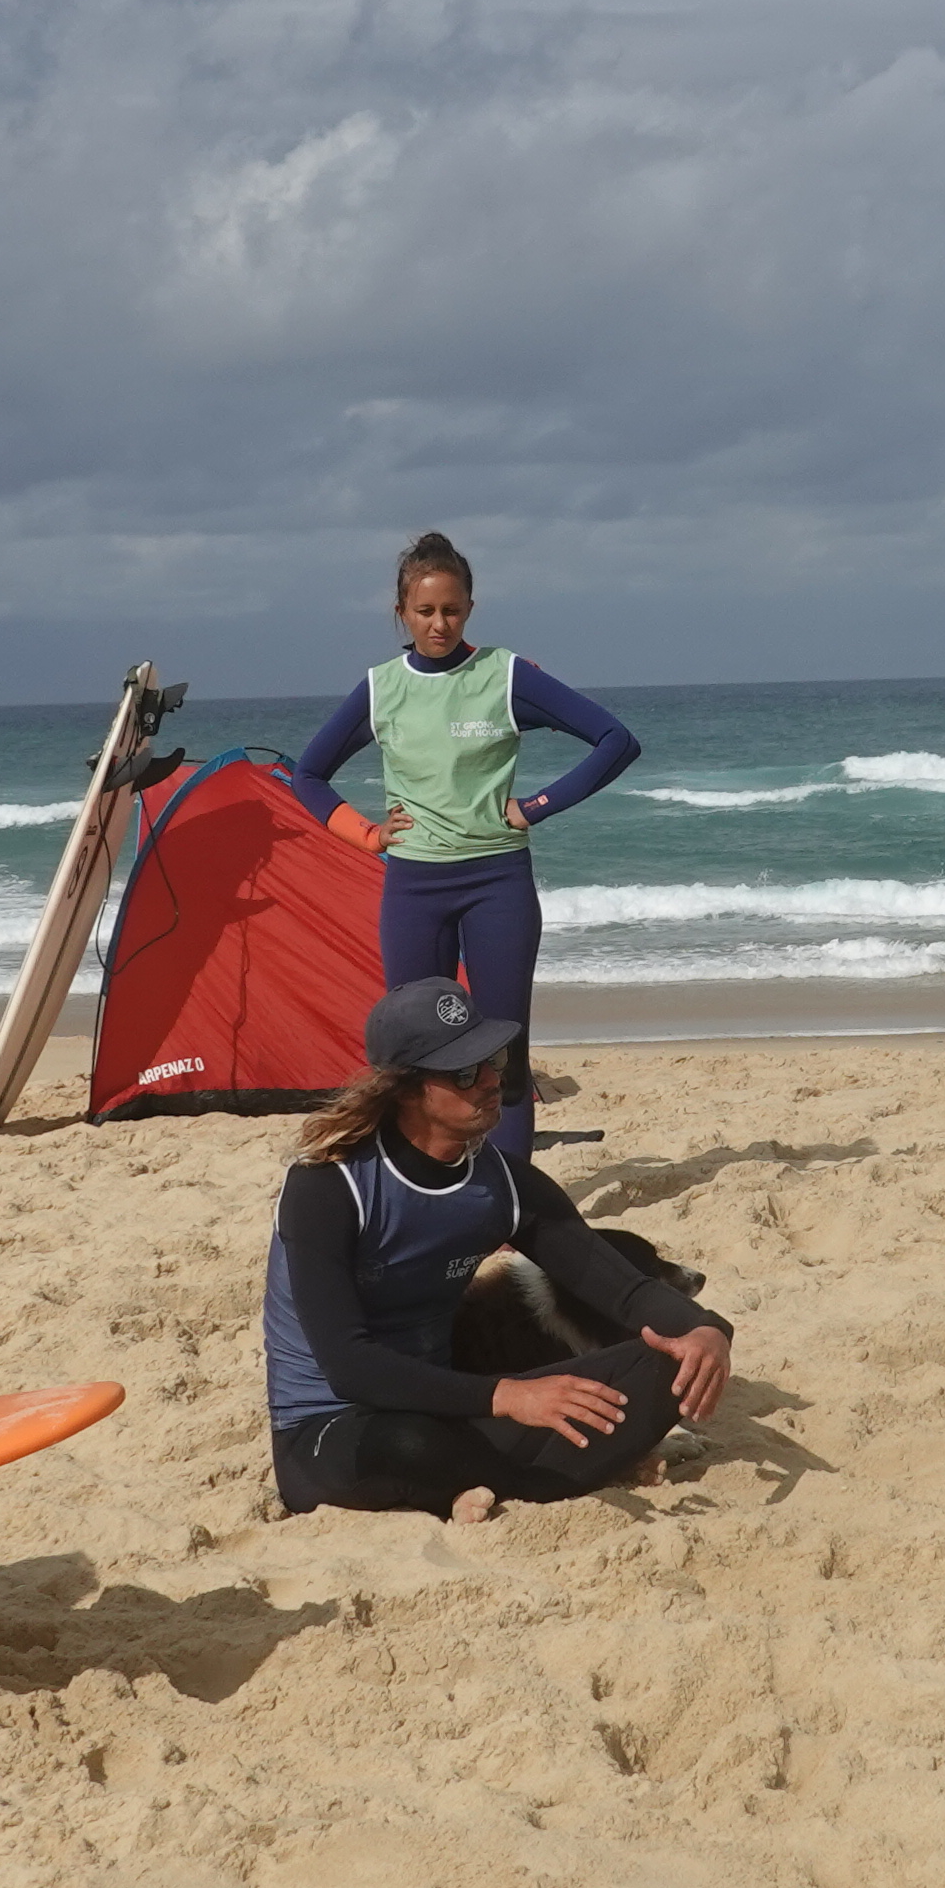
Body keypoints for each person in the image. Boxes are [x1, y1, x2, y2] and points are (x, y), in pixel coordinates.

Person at [261, 980, 731, 1523]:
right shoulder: (328, 1187)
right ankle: (540, 1475)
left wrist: (706, 1329)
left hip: (450, 1409)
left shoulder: (504, 1185)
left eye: (493, 1060)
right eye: (464, 1072)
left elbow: (622, 1290)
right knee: (412, 1444)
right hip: (335, 1427)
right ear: (406, 1090)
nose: (491, 1081)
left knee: (675, 1360)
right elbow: (350, 1366)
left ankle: (490, 1480)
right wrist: (510, 1397)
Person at [294, 531, 639, 1156]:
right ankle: (424, 1183)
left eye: (451, 610)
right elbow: (308, 775)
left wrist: (536, 806)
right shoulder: (381, 687)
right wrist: (368, 835)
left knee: (505, 1051)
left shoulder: (504, 676)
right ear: (401, 612)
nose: (439, 624)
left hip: (497, 884)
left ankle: (508, 1193)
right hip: (414, 889)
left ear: (470, 608)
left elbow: (616, 741)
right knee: (413, 1053)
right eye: (425, 610)